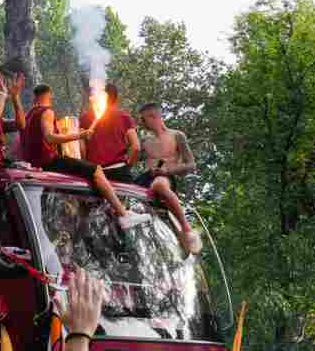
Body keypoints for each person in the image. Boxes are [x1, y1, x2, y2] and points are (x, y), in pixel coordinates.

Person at [21, 84, 150, 231]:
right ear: (48, 95)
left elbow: (80, 149)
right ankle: (123, 214)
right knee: (95, 169)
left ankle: (82, 231)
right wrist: (79, 135)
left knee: (88, 211)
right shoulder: (47, 111)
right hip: (49, 161)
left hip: (35, 165)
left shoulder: (28, 115)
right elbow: (50, 138)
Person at [137, 102, 204, 254]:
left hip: (165, 178)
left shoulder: (177, 135)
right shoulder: (145, 141)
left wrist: (167, 170)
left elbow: (191, 164)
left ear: (153, 116)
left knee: (159, 185)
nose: (142, 123)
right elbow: (131, 158)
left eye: (144, 119)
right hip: (146, 178)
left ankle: (187, 230)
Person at [79, 83, 139, 172]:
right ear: (116, 99)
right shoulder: (124, 117)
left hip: (94, 172)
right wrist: (127, 166)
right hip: (119, 170)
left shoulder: (84, 119)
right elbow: (136, 147)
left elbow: (81, 149)